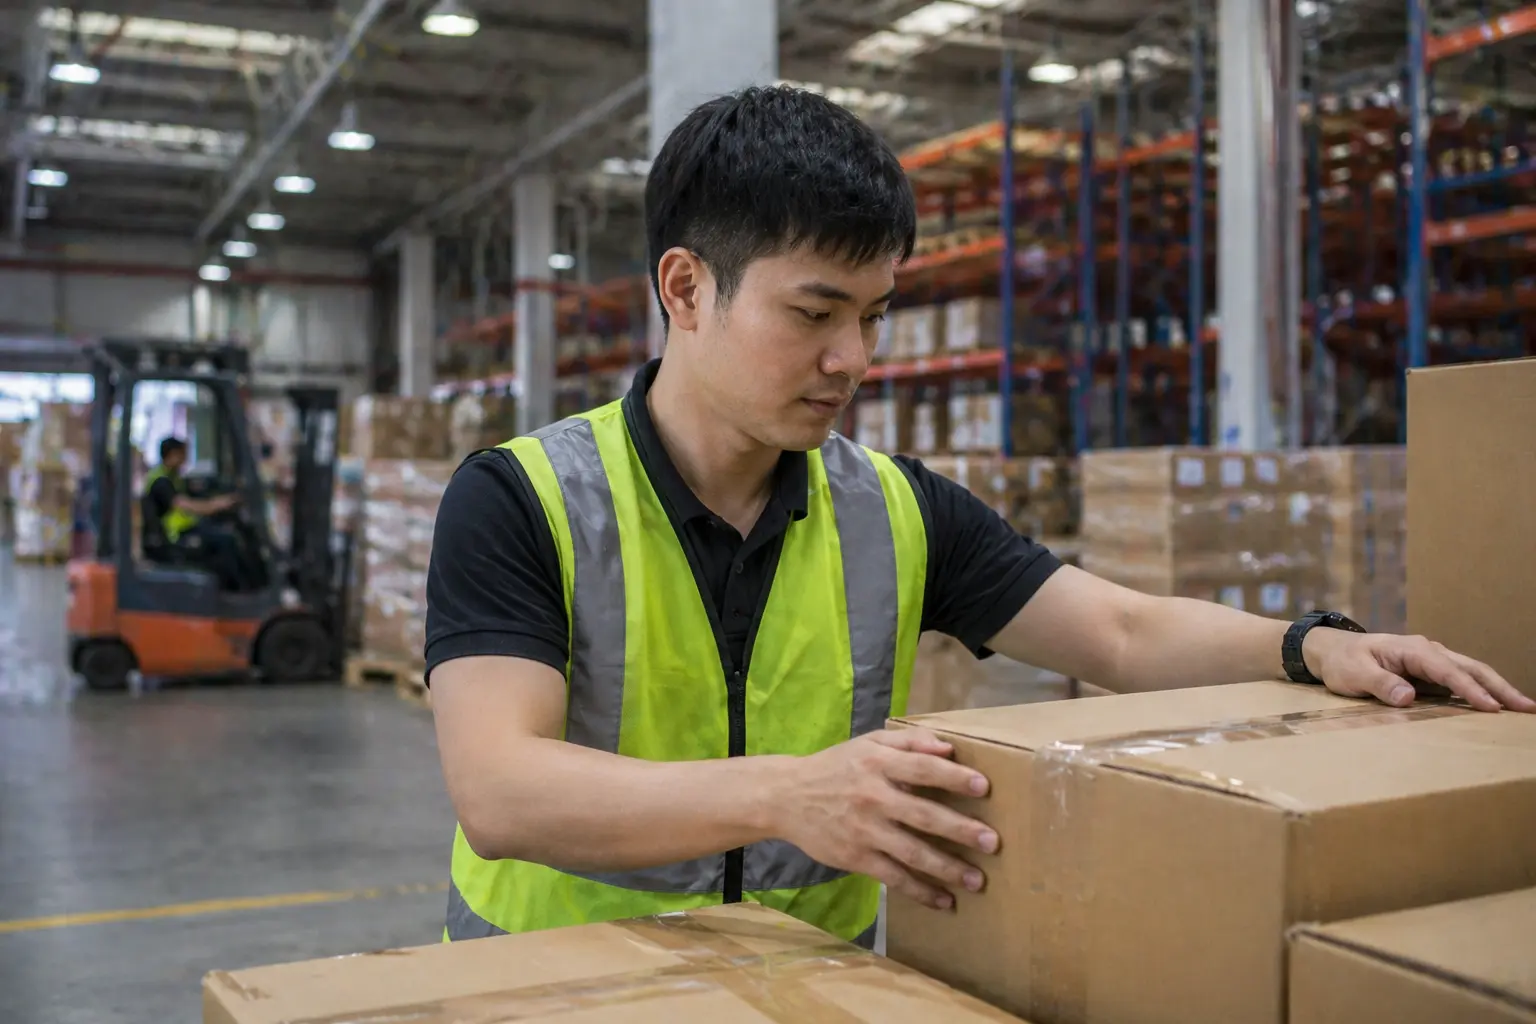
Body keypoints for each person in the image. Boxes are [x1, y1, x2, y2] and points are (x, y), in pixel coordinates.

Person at [424, 86, 1534, 948]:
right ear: (685, 290)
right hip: (558, 990)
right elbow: (500, 789)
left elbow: (1119, 633)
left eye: (874, 316)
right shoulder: (525, 500)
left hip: (799, 995)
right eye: (815, 312)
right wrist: (790, 793)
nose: (853, 359)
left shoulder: (892, 508)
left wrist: (1313, 646)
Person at [143, 437, 244, 589]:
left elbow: (194, 492)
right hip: (173, 537)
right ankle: (237, 590)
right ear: (173, 454)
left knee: (223, 533)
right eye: (182, 454)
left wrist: (220, 497)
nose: (185, 459)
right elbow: (186, 505)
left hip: (182, 531)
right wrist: (216, 505)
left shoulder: (172, 476)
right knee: (226, 541)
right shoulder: (161, 481)